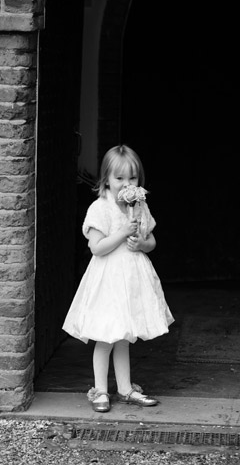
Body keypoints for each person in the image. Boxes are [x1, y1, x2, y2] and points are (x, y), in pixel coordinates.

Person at [63, 145, 175, 413]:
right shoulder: (100, 208)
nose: (126, 184)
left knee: (124, 336)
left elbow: (152, 240)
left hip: (133, 279)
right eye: (119, 178)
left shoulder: (139, 206)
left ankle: (125, 388)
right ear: (106, 180)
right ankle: (100, 390)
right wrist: (124, 232)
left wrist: (140, 244)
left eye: (132, 178)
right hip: (108, 280)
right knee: (106, 336)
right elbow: (96, 247)